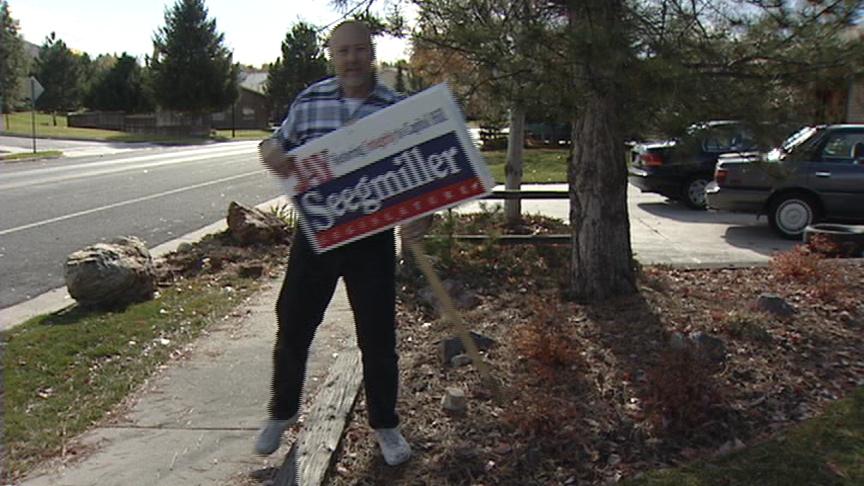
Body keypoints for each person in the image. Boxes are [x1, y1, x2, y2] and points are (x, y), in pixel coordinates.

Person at [255, 20, 424, 467]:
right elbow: (278, 142)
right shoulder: (309, 102)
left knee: (378, 336)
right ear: (332, 55)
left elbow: (418, 171)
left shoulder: (396, 108)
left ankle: (386, 426)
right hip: (318, 234)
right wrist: (270, 150)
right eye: (343, 51)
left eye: (359, 50)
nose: (351, 59)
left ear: (373, 53)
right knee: (293, 324)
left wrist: (419, 217)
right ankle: (282, 412)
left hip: (372, 239)